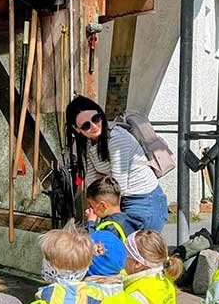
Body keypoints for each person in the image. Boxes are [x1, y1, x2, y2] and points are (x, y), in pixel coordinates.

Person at [66, 95, 169, 232]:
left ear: (100, 114)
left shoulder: (116, 138)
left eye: (96, 119)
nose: (94, 126)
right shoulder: (85, 143)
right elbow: (93, 183)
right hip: (119, 200)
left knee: (140, 251)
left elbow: (118, 186)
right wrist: (96, 208)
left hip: (143, 202)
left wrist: (99, 216)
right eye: (86, 125)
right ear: (77, 129)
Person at [84, 176, 142, 242]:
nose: (88, 210)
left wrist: (90, 223)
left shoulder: (111, 228)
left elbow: (93, 247)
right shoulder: (127, 220)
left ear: (103, 205)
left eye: (91, 205)